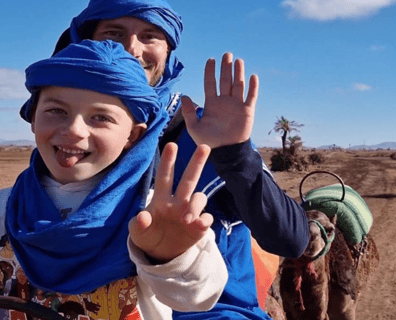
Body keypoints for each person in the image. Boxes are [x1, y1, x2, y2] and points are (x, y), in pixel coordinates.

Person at [53, 0, 310, 318]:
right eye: (113, 33)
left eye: (150, 36)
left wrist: (235, 154)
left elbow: (290, 239)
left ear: (167, 51)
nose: (132, 49)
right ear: (85, 43)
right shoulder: (66, 138)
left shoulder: (201, 131)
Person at [0, 39, 228, 319]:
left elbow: (197, 298)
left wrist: (169, 257)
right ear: (33, 118)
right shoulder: (6, 207)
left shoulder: (150, 214)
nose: (74, 130)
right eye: (57, 111)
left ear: (132, 136)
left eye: (100, 117)